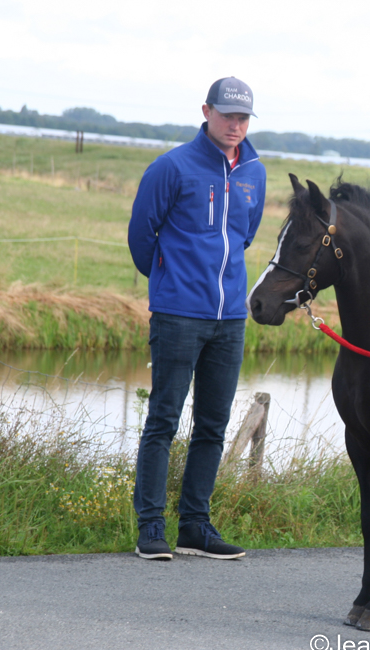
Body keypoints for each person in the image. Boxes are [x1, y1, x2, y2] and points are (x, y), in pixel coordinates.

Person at [127, 77, 266, 560]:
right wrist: (171, 281)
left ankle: (195, 526)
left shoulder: (254, 171)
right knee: (162, 419)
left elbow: (244, 235)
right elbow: (141, 237)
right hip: (178, 314)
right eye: (227, 115)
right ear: (206, 111)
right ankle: (150, 528)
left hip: (230, 317)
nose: (235, 125)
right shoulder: (172, 167)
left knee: (213, 422)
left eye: (243, 118)